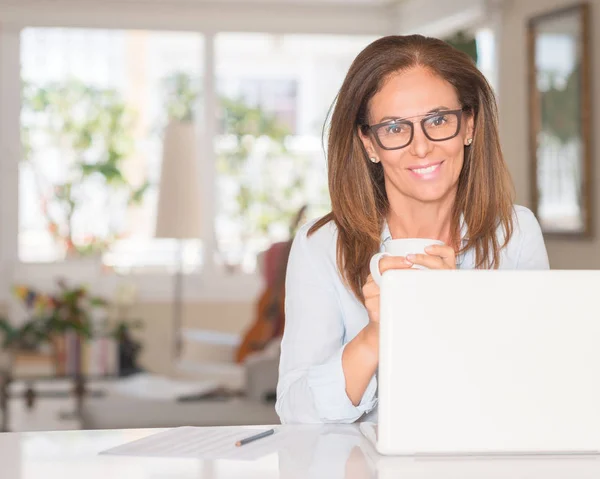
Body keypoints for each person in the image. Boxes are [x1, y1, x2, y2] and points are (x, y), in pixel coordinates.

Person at [275, 35, 549, 425]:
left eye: (438, 121)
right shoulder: (321, 246)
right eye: (394, 128)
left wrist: (460, 316)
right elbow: (296, 415)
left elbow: (540, 392)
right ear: (369, 144)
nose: (420, 147)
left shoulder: (515, 233)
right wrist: (374, 336)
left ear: (469, 125)